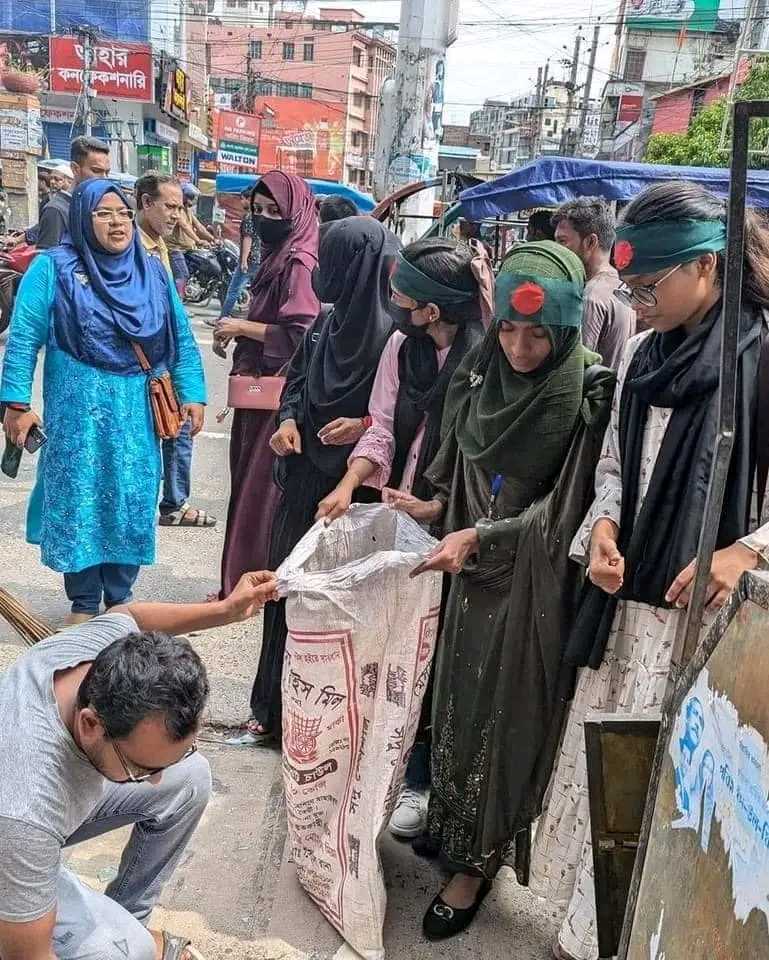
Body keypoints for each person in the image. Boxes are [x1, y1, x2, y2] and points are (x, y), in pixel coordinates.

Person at [529, 181, 769, 960]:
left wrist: (746, 551)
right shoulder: (637, 351)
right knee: (610, 777)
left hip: (711, 625)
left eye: (648, 286)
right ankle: (590, 934)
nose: (635, 299)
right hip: (628, 610)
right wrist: (601, 527)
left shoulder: (762, 356)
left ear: (705, 267)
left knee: (688, 802)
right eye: (628, 287)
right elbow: (614, 467)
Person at [383, 241, 614, 941]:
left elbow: (566, 508)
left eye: (537, 331)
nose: (517, 345)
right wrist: (432, 509)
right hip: (466, 572)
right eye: (509, 327)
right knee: (451, 701)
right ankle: (451, 828)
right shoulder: (481, 369)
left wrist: (481, 537)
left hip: (528, 584)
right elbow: (459, 468)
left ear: (567, 326)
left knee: (502, 719)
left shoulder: (586, 389)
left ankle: (474, 866)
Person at [0, 570, 278, 960]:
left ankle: (129, 918)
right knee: (126, 951)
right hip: (10, 846)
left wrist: (225, 610)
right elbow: (27, 957)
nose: (154, 781)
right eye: (141, 768)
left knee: (189, 781)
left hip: (33, 822)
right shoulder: (25, 808)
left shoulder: (98, 654)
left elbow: (132, 616)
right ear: (91, 724)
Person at [316, 236, 491, 839]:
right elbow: (383, 428)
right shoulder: (400, 348)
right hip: (403, 514)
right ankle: (379, 768)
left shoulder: (487, 357)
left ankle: (424, 782)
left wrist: (443, 505)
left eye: (403, 295)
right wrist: (349, 485)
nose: (392, 303)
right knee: (398, 644)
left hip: (462, 519)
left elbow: (486, 454)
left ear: (434, 309)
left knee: (442, 655)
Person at [0, 179, 206, 623]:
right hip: (77, 414)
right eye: (104, 213)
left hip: (136, 412)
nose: (117, 223)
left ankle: (120, 599)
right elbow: (22, 341)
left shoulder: (152, 270)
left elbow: (181, 338)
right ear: (83, 217)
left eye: (123, 214)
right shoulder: (52, 268)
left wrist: (193, 393)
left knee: (130, 498)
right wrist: (15, 403)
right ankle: (84, 601)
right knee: (79, 498)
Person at [244, 216, 400, 743]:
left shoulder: (398, 336)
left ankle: (333, 723)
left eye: (336, 263)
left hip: (356, 495)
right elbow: (297, 383)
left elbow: (409, 413)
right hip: (306, 481)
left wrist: (364, 425)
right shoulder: (326, 322)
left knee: (340, 606)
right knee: (287, 592)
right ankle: (274, 712)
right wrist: (288, 421)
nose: (323, 274)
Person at [215, 170, 319, 597]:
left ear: (295, 211)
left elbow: (301, 330)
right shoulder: (278, 254)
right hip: (260, 387)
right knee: (250, 485)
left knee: (261, 489)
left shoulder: (298, 261)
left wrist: (244, 325)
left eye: (274, 211)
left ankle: (250, 582)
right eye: (257, 211)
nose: (264, 219)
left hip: (278, 391)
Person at [135, 173, 216, 531]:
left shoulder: (160, 245)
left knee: (178, 427)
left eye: (179, 207)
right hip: (141, 366)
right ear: (143, 202)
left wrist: (194, 391)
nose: (176, 215)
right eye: (169, 206)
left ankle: (174, 502)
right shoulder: (128, 248)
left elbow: (179, 327)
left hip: (166, 363)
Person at [552, 197, 635, 369]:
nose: (556, 250)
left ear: (590, 242)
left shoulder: (590, 297)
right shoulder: (622, 285)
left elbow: (576, 370)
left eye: (562, 241)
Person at [36, 136, 111, 250]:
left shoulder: (98, 206)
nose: (104, 178)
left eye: (107, 172)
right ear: (75, 169)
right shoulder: (57, 210)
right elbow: (47, 260)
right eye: (96, 171)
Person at [212, 185, 262, 329]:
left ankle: (222, 319)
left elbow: (248, 239)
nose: (241, 202)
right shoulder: (260, 215)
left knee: (233, 290)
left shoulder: (249, 217)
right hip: (259, 259)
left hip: (250, 259)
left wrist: (244, 260)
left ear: (248, 199)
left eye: (242, 199)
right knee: (257, 291)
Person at [166, 183, 216, 297]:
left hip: (188, 249)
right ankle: (179, 304)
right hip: (175, 249)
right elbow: (185, 226)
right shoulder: (177, 210)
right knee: (183, 275)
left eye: (192, 198)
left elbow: (199, 226)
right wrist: (198, 240)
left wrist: (213, 239)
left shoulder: (188, 211)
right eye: (188, 197)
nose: (190, 201)